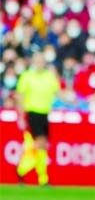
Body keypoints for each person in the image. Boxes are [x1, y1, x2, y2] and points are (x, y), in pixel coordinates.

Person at [15, 50, 60, 185]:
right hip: (33, 112)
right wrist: (21, 116)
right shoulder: (27, 76)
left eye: (42, 61)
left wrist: (75, 101)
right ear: (33, 62)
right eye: (37, 61)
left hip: (45, 113)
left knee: (42, 145)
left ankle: (33, 174)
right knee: (39, 142)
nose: (40, 64)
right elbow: (20, 97)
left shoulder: (49, 76)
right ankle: (33, 174)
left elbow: (58, 92)